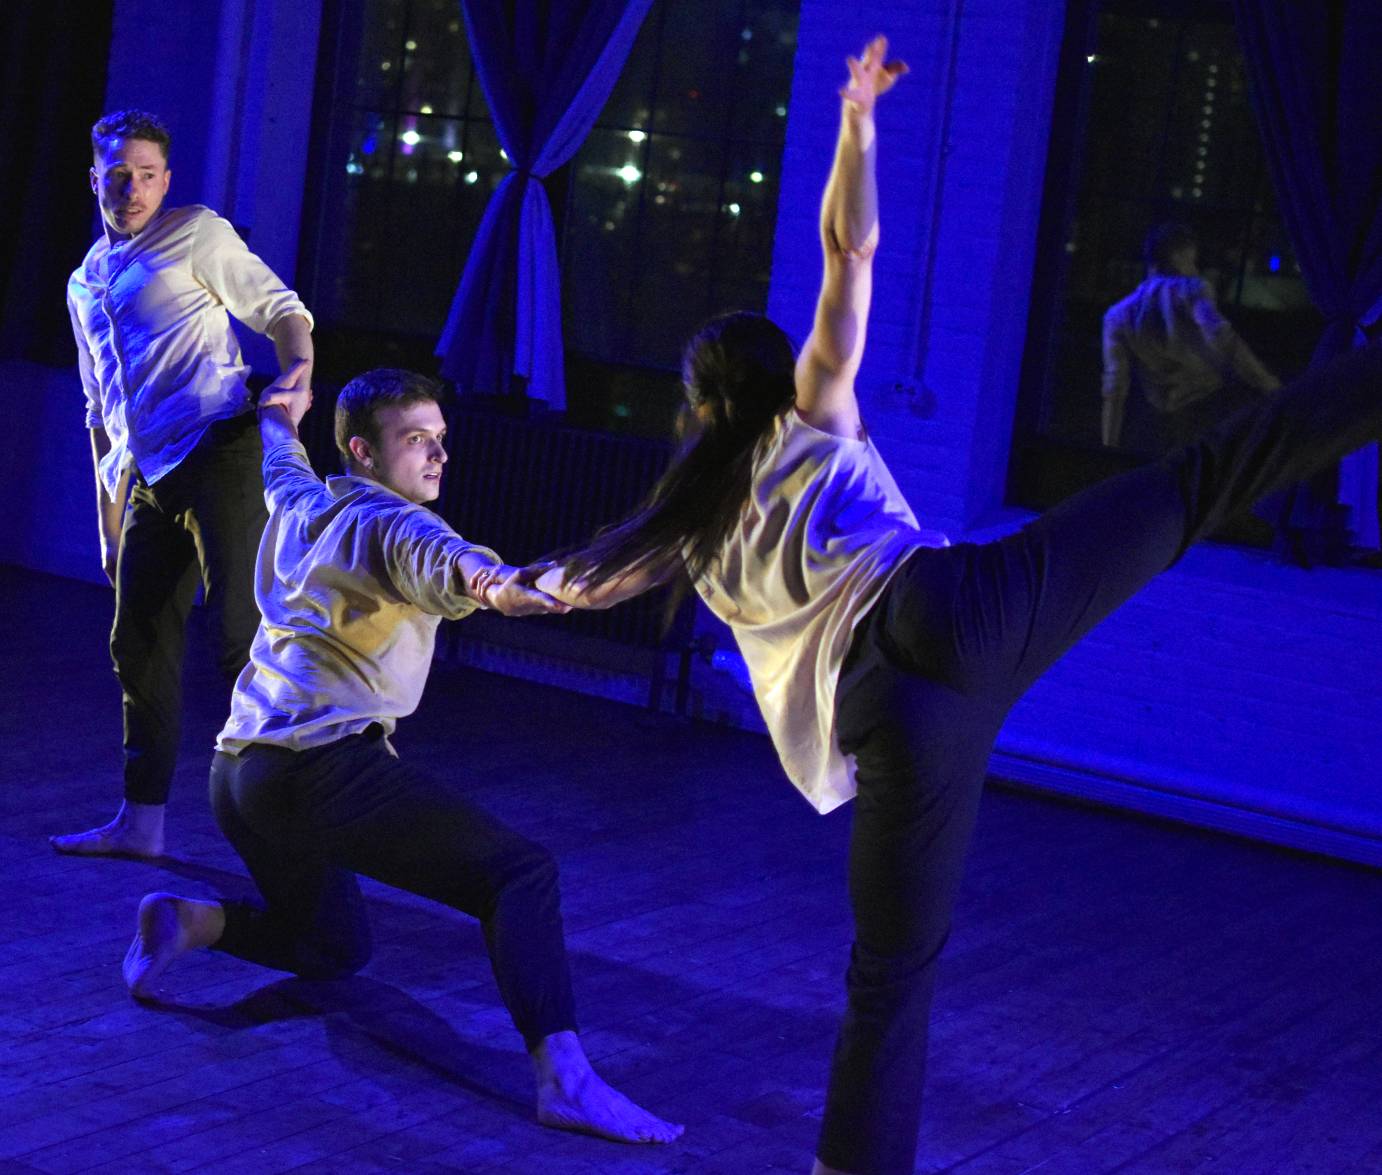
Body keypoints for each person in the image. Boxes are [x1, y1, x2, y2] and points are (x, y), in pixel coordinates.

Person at [525, 37, 1382, 1174]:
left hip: (883, 714)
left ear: (696, 406)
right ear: (770, 377)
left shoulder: (689, 524)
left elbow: (574, 586)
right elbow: (849, 252)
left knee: (891, 967)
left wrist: (476, 582)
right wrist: (856, 122)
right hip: (952, 609)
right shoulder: (810, 413)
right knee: (1197, 482)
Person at [121, 368, 683, 1146]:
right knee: (519, 874)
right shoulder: (398, 526)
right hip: (319, 770)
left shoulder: (305, 496)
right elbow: (468, 572)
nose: (438, 455)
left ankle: (189, 920)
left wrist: (281, 410)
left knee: (335, 945)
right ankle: (566, 1080)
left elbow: (280, 450)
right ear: (364, 450)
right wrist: (520, 586)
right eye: (416, 439)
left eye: (441, 438)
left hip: (238, 774)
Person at [55, 109, 315, 858]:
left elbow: (280, 309)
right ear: (95, 179)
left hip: (218, 450)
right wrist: (108, 521)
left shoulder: (196, 233)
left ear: (165, 181)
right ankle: (141, 824)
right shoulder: (84, 282)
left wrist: (298, 373)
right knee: (137, 642)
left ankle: (293, 829)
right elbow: (100, 408)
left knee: (239, 640)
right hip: (148, 477)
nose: (132, 188)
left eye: (146, 174)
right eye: (118, 174)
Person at [1101, 222, 1280, 452]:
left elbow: (1115, 387)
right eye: (1192, 260)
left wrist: (1108, 446)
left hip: (1155, 418)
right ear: (1180, 256)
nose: (1195, 268)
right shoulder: (1193, 290)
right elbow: (1223, 338)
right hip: (1207, 409)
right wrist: (1268, 384)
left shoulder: (1117, 315)